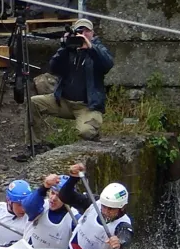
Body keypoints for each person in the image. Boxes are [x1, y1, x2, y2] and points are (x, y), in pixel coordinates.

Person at [26, 18, 114, 156]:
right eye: (80, 31)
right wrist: (64, 47)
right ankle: (35, 144)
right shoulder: (70, 49)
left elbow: (108, 64)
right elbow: (54, 67)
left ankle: (93, 132)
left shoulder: (98, 48)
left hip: (87, 105)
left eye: (86, 31)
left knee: (86, 132)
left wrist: (90, 48)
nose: (83, 34)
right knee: (34, 102)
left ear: (93, 33)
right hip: (63, 101)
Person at [60, 163, 132, 249]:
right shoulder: (94, 203)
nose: (105, 211)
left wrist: (119, 242)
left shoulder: (123, 224)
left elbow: (126, 237)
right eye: (104, 206)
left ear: (122, 207)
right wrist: (73, 178)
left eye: (111, 209)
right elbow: (65, 196)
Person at [21, 174, 79, 249]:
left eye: (59, 196)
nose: (53, 198)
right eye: (52, 193)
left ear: (68, 198)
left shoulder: (74, 218)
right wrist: (44, 187)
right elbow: (27, 206)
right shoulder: (41, 205)